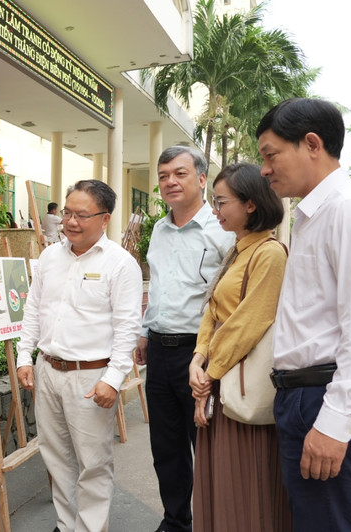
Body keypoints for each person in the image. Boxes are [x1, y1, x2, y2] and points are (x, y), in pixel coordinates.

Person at [256, 98, 351, 531]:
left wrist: (336, 423)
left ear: (312, 144)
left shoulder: (350, 209)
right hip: (304, 394)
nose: (265, 169)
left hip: (325, 395)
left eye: (271, 154)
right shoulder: (314, 213)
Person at [16, 179, 142, 532]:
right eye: (68, 212)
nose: (71, 221)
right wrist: (25, 356)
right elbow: (34, 309)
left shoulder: (120, 264)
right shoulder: (49, 257)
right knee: (56, 458)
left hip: (91, 377)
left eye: (82, 215)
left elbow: (126, 327)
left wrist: (113, 380)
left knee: (93, 463)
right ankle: (65, 524)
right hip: (48, 370)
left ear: (105, 219)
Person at [187, 162, 291, 531]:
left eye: (221, 202)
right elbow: (212, 311)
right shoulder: (237, 250)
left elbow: (249, 323)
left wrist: (207, 375)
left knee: (246, 488)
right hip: (219, 380)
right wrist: (198, 361)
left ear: (250, 203)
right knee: (221, 485)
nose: (215, 210)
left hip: (241, 387)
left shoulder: (269, 253)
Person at [138, 145, 233, 532]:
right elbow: (157, 286)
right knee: (167, 447)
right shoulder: (159, 230)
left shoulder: (222, 230)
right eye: (163, 176)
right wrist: (145, 332)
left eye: (179, 173)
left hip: (201, 353)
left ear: (200, 179)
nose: (170, 182)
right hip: (159, 351)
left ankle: (216, 522)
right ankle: (176, 521)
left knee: (208, 446)